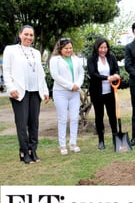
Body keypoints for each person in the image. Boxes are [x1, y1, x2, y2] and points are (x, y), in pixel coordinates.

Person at [3, 25, 49, 164]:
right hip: (19, 92)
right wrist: (11, 88)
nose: (28, 37)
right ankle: (23, 152)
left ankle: (32, 150)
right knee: (22, 124)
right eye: (26, 34)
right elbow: (6, 70)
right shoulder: (10, 50)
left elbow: (40, 73)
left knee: (34, 123)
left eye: (31, 35)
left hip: (35, 91)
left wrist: (45, 90)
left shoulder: (35, 52)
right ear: (20, 35)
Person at [50, 38, 84, 155]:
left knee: (74, 118)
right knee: (63, 119)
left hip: (75, 92)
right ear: (60, 49)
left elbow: (81, 73)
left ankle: (73, 143)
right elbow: (56, 76)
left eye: (70, 48)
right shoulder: (55, 60)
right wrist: (70, 86)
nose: (69, 50)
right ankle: (62, 145)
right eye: (66, 48)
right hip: (60, 92)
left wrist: (77, 85)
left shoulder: (76, 59)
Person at [87, 38, 120, 150]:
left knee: (112, 115)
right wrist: (107, 78)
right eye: (101, 47)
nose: (103, 50)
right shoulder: (91, 59)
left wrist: (116, 75)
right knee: (99, 116)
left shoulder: (111, 58)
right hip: (97, 93)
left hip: (110, 92)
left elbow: (116, 69)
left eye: (105, 47)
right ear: (97, 48)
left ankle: (116, 138)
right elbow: (93, 74)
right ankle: (101, 140)